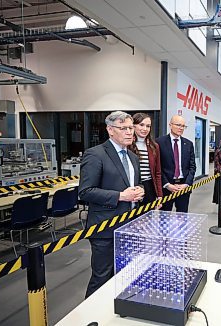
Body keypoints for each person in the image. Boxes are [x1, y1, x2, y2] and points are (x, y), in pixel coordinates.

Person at [79, 111, 144, 298]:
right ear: (110, 130)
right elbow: (85, 192)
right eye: (124, 128)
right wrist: (120, 196)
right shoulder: (95, 154)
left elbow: (132, 185)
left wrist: (140, 190)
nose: (130, 132)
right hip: (104, 229)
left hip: (130, 227)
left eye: (131, 128)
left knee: (124, 274)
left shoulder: (132, 157)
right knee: (102, 277)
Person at [156, 115, 196, 212]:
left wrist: (186, 184)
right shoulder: (159, 142)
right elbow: (158, 167)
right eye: (178, 125)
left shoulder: (188, 144)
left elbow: (192, 166)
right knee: (164, 218)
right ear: (170, 125)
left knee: (182, 216)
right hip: (166, 187)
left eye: (183, 126)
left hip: (183, 187)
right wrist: (167, 184)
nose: (181, 128)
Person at [128, 112, 163, 208]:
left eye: (148, 126)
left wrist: (159, 195)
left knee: (147, 219)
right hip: (131, 187)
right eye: (141, 125)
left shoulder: (154, 146)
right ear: (133, 126)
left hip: (149, 187)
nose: (145, 129)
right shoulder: (126, 145)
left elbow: (157, 173)